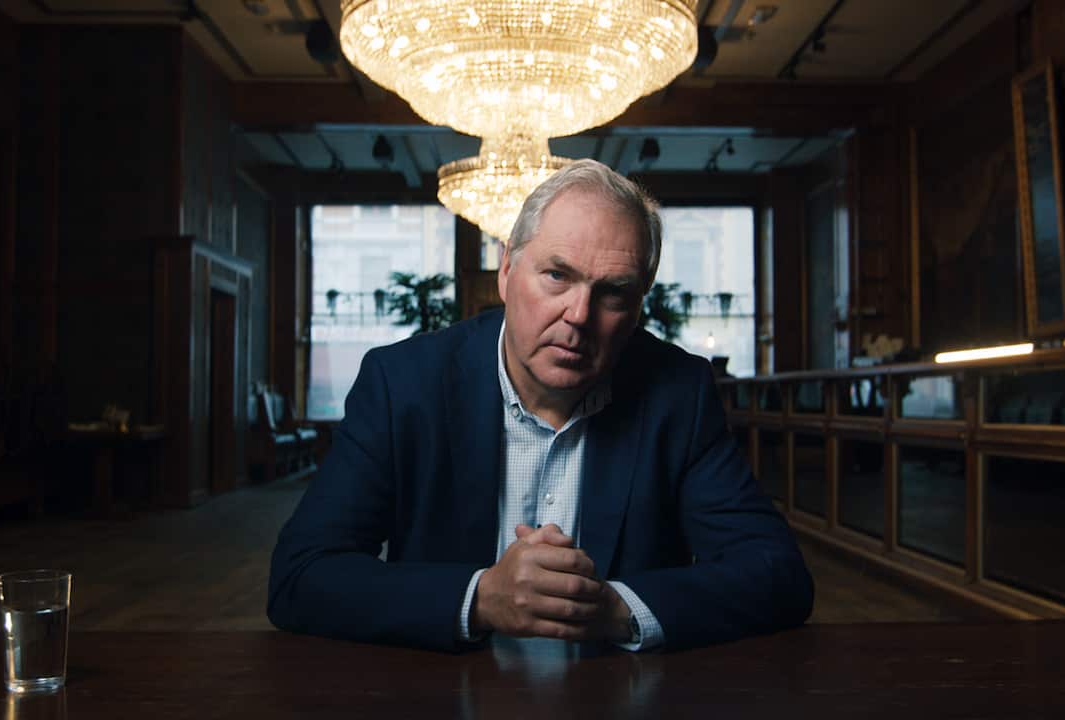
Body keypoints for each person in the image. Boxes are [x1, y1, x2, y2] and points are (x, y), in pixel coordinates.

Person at [268, 159, 813, 653]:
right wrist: (480, 598)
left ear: (639, 302)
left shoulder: (679, 391)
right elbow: (300, 577)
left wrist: (613, 609)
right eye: (558, 275)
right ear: (507, 271)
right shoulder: (402, 384)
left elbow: (777, 574)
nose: (579, 315)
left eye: (613, 292)